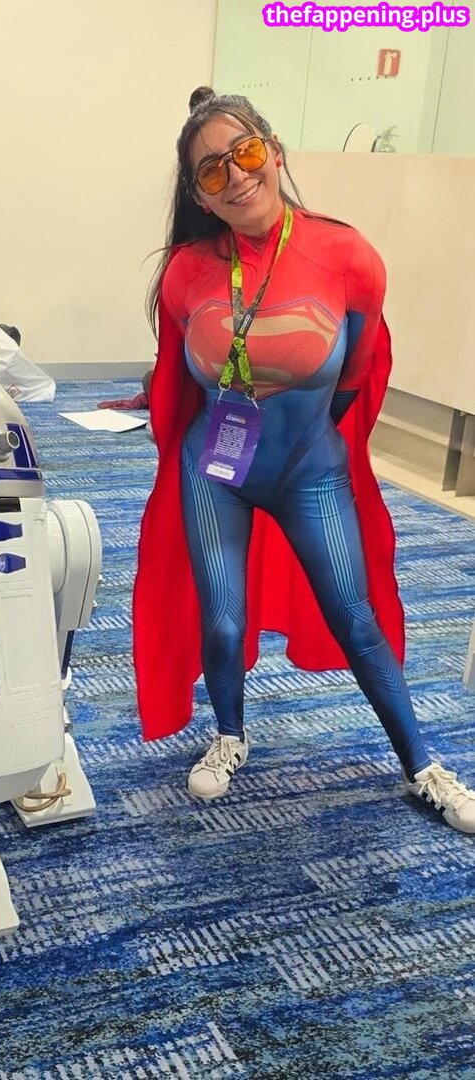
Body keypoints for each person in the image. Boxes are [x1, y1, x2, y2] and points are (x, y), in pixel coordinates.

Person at [132, 86, 475, 833]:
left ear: (276, 151)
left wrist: (308, 440)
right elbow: (176, 380)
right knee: (223, 623)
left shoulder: (348, 255)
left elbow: (357, 375)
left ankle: (423, 765)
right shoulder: (186, 271)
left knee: (357, 619)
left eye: (246, 152)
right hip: (215, 470)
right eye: (212, 171)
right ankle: (229, 733)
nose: (236, 176)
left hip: (309, 468)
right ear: (200, 195)